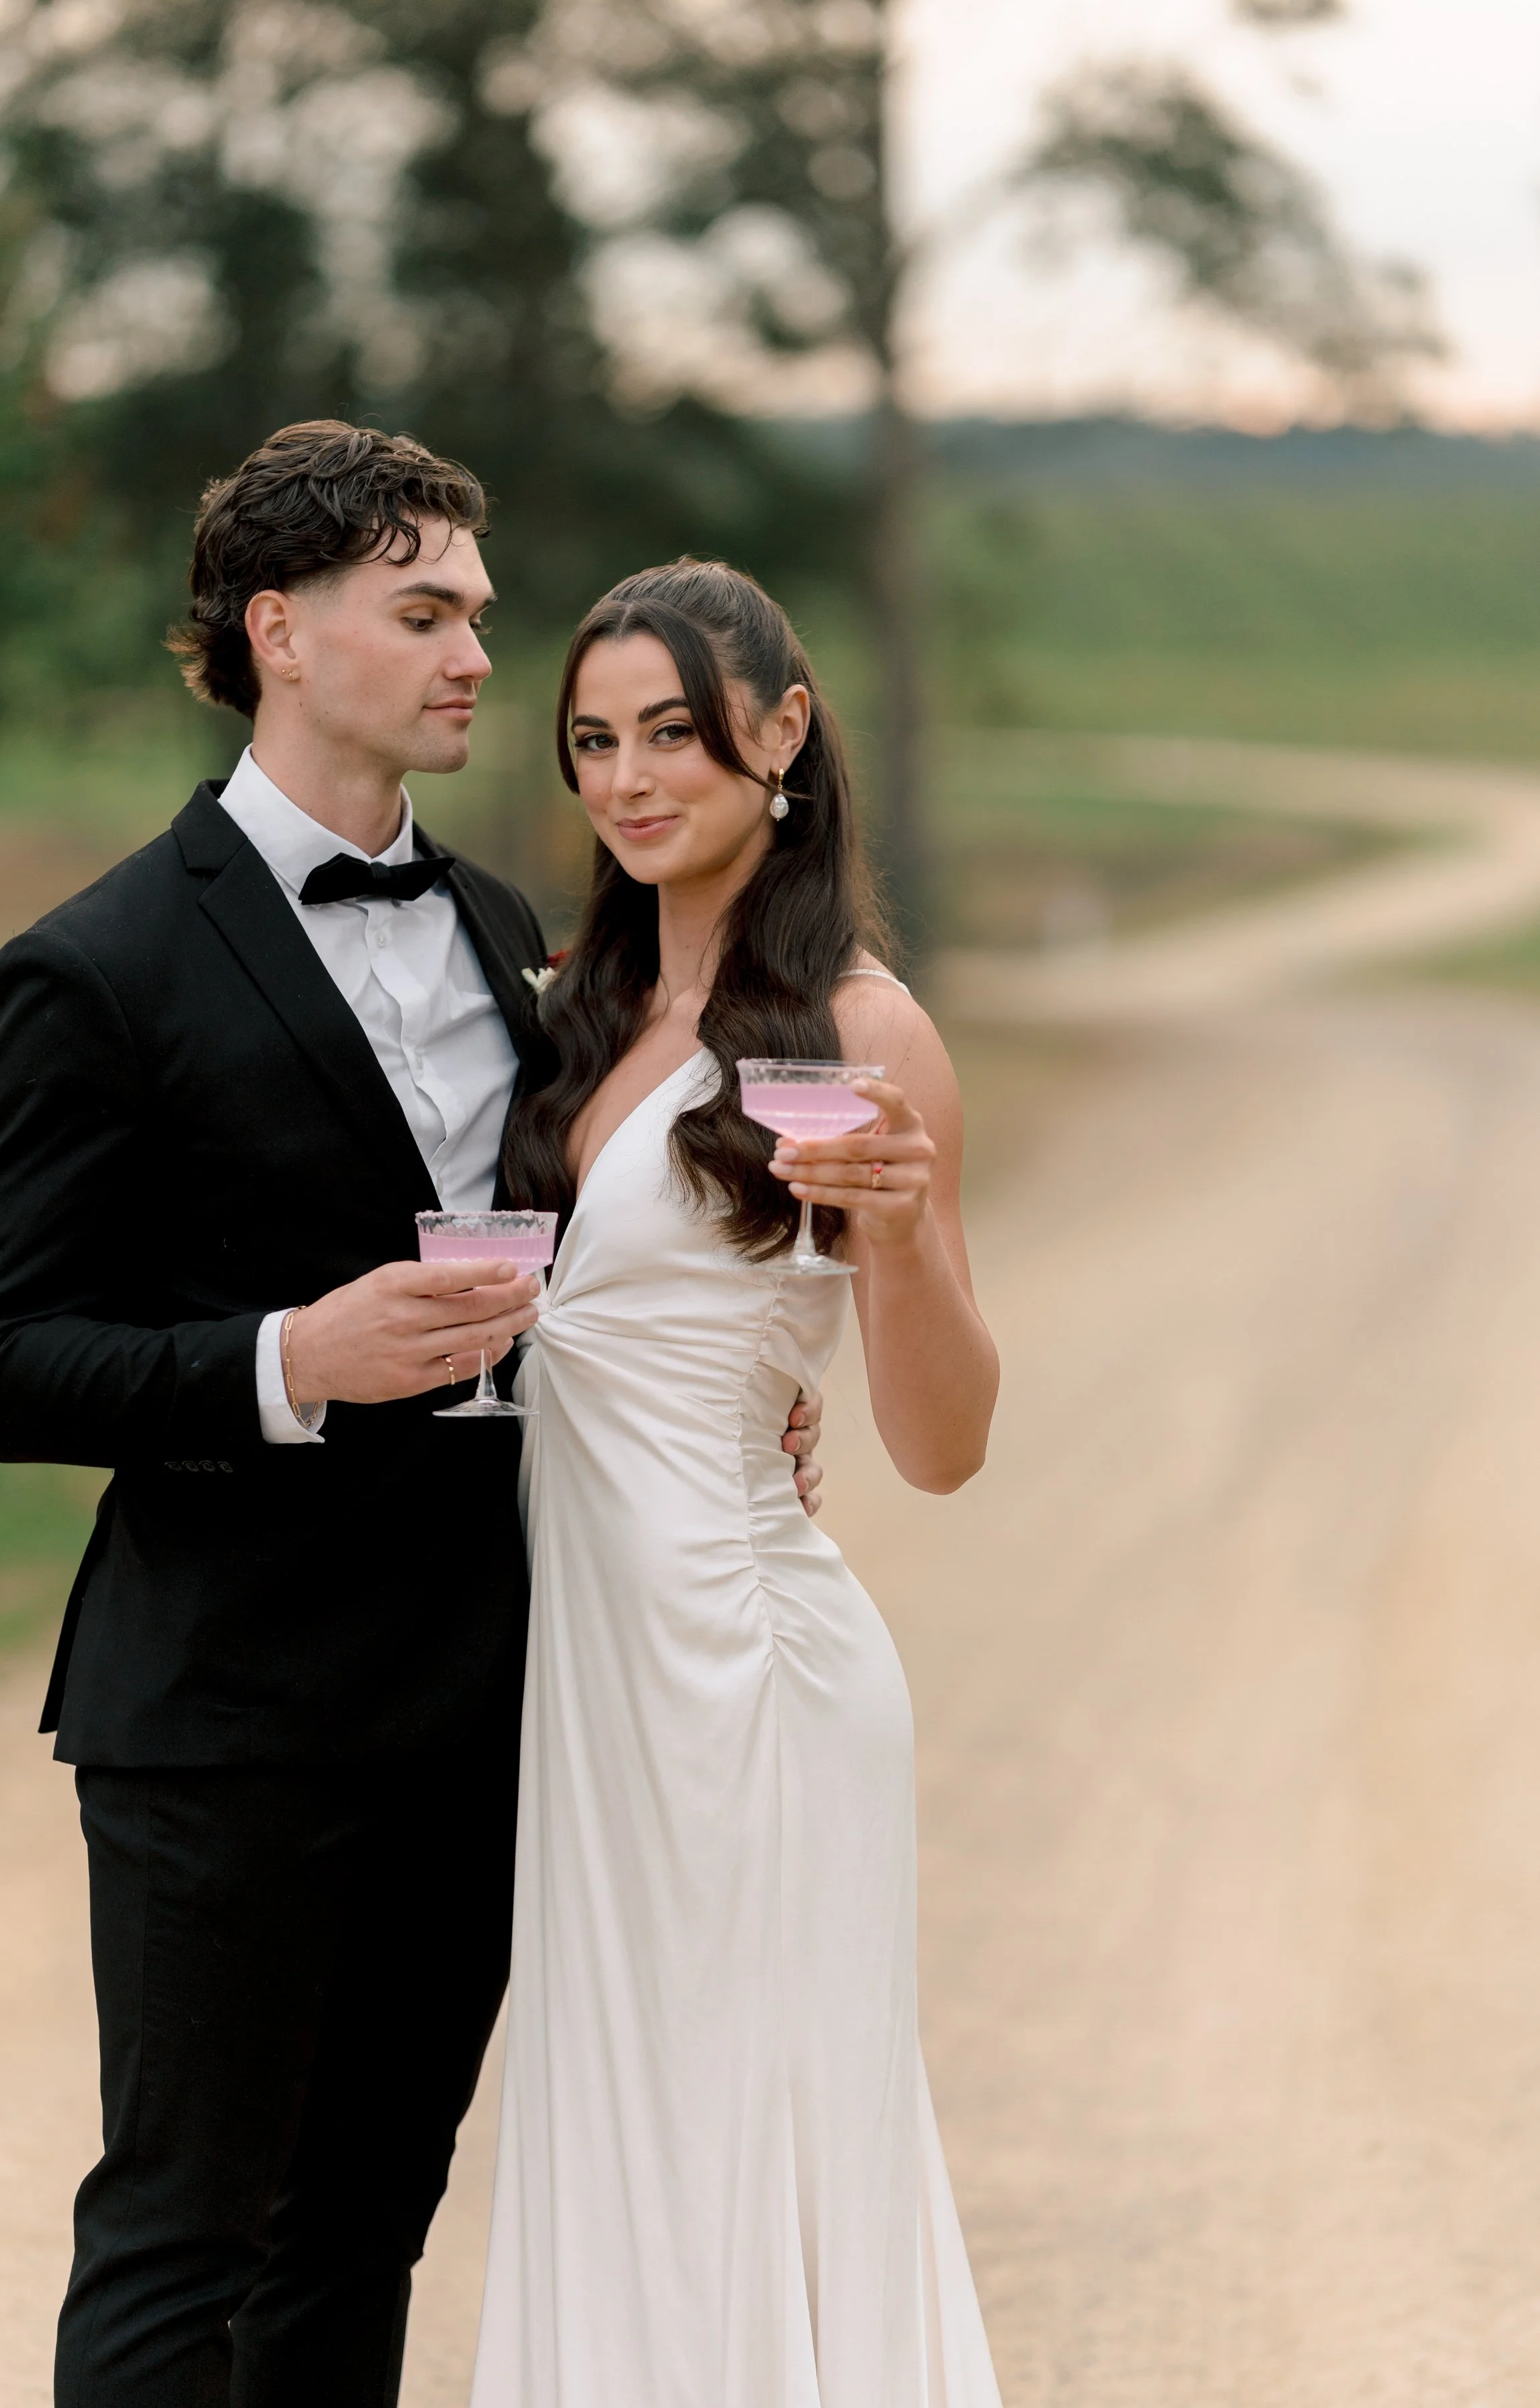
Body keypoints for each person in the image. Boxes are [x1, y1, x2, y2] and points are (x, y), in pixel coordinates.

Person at [0, 424, 823, 2407]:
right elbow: (4, 1362)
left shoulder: (516, 930)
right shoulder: (93, 966)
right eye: (424, 613)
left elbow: (601, 1256)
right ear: (279, 631)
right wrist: (289, 1357)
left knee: (363, 2231)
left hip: (481, 1698)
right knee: (181, 2234)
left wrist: (731, 1402)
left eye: (478, 617)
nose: (474, 658)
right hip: (226, 1710)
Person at [473, 559, 1003, 2404]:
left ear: (780, 734)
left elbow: (942, 1444)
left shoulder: (862, 1032)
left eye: (673, 735)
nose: (626, 781)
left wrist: (900, 1240)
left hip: (748, 1676)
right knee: (621, 2139)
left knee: (747, 2138)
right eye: (592, 740)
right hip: (588, 1683)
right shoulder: (569, 1007)